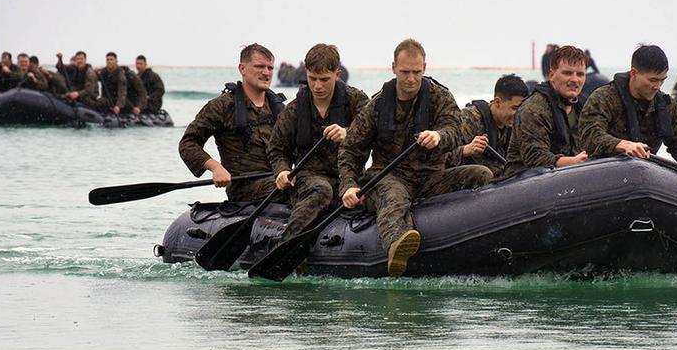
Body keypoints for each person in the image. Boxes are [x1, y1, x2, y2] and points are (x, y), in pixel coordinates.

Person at [339, 38, 493, 277]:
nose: (411, 79)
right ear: (393, 68)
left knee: (481, 174)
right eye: (405, 72)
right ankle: (395, 250)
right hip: (388, 177)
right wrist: (349, 186)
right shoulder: (377, 106)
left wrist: (439, 136)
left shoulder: (440, 97)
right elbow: (351, 149)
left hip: (431, 177)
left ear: (424, 68)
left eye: (416, 72)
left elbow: (456, 130)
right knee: (394, 196)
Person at [267, 44, 369, 242]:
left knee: (382, 187)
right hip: (309, 180)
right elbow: (276, 148)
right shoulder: (295, 109)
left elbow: (375, 137)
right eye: (312, 78)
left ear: (337, 74)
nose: (317, 86)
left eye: (324, 79)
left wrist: (349, 134)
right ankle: (286, 245)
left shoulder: (357, 100)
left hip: (350, 179)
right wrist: (282, 171)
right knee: (322, 190)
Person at [579, 44, 677, 180]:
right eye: (652, 80)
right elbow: (589, 135)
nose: (657, 87)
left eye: (662, 80)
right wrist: (622, 145)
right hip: (603, 173)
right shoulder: (604, 98)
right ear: (634, 73)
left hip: (643, 176)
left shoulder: (669, 105)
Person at [178, 43, 287, 202]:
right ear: (242, 69)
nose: (266, 73)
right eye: (259, 67)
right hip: (244, 187)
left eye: (270, 68)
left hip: (279, 178)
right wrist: (215, 167)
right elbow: (188, 143)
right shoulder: (222, 106)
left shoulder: (279, 108)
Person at [504, 45, 590, 175]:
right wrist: (573, 162)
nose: (574, 80)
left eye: (580, 74)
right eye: (567, 73)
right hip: (525, 179)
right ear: (551, 75)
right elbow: (534, 157)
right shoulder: (533, 109)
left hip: (569, 176)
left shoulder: (583, 107)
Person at [446, 74, 529, 176]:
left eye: (522, 109)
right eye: (515, 108)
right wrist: (465, 150)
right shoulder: (469, 119)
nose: (519, 114)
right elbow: (441, 159)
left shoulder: (513, 125)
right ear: (497, 102)